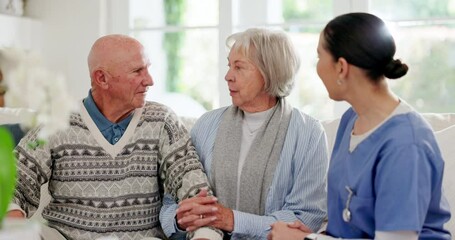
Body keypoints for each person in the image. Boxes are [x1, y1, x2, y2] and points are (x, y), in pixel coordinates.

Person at [6, 34, 222, 240]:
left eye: (147, 69)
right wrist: (12, 220)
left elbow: (194, 188)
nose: (149, 80)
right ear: (102, 78)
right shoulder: (57, 118)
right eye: (137, 71)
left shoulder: (162, 120)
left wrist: (204, 233)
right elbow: (11, 181)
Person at [268, 12, 452, 240]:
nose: (317, 68)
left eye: (319, 57)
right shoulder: (351, 120)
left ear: (341, 67)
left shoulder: (406, 145)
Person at [160, 28, 329, 239]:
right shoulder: (206, 125)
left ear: (270, 73)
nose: (228, 76)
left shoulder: (308, 133)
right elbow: (169, 202)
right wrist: (180, 218)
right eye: (229, 66)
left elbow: (304, 220)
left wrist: (232, 220)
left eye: (239, 67)